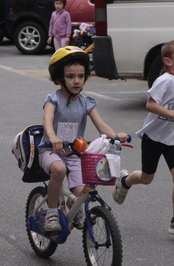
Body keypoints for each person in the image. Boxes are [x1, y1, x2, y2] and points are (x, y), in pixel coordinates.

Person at [112, 39, 174, 236]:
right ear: (168, 61)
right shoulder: (165, 80)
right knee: (146, 177)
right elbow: (150, 105)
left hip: (173, 138)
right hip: (154, 137)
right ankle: (124, 181)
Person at [38, 46, 128, 232]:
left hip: (72, 154)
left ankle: (73, 208)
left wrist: (115, 136)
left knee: (82, 193)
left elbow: (102, 126)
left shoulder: (86, 102)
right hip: (50, 150)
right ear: (59, 79)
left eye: (80, 76)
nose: (77, 81)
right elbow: (47, 120)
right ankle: (52, 213)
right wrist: (53, 137)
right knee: (59, 169)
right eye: (70, 76)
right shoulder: (53, 100)